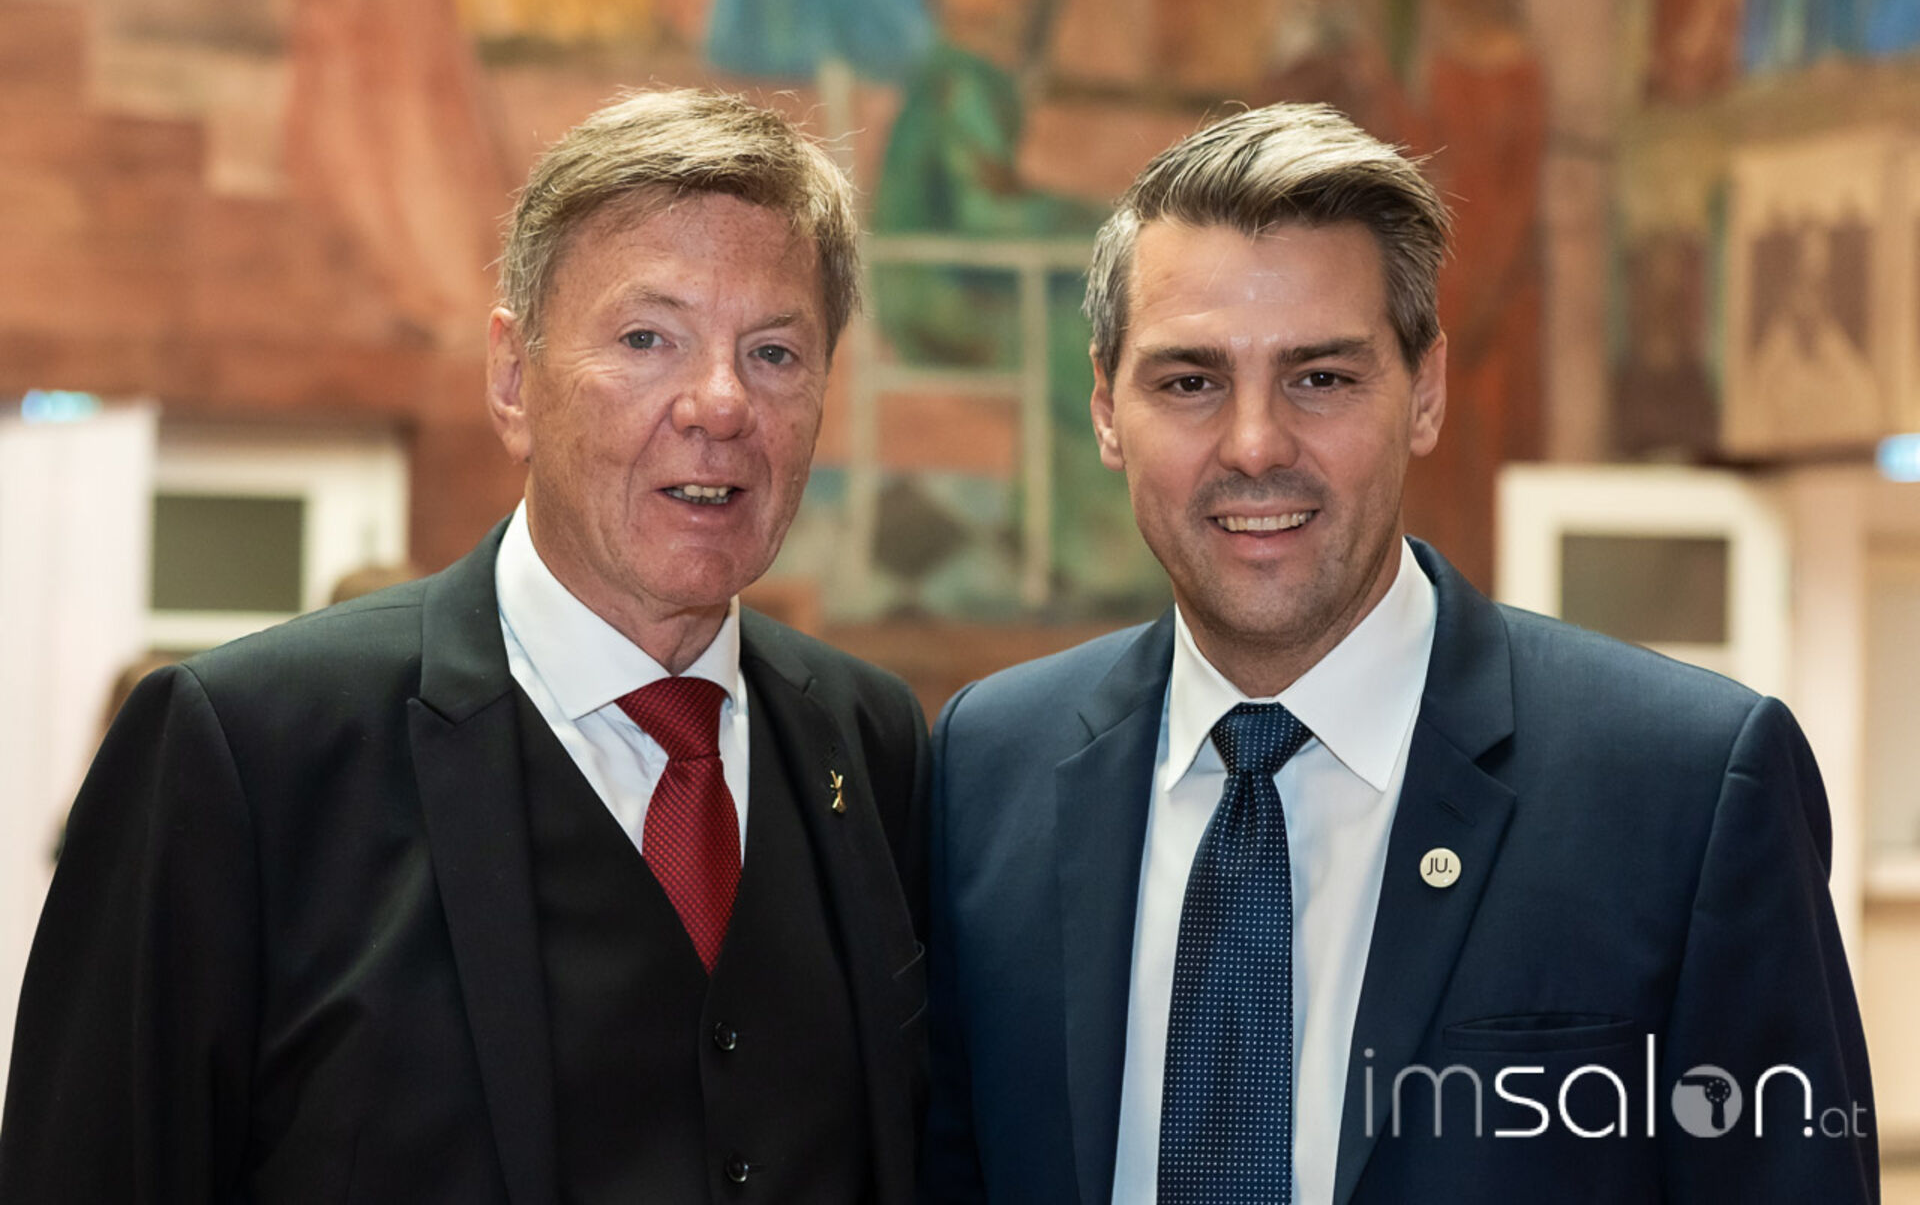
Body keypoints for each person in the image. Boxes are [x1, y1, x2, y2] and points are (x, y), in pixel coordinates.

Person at [919, 102, 1876, 1202]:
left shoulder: (1687, 788)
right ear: (1104, 411)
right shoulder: (989, 768)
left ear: (1424, 393)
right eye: (1190, 381)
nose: (1255, 445)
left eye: (1321, 378)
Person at [1, 87, 931, 1204]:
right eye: (648, 337)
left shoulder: (867, 743)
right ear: (512, 380)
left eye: (775, 352)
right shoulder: (246, 753)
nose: (720, 403)